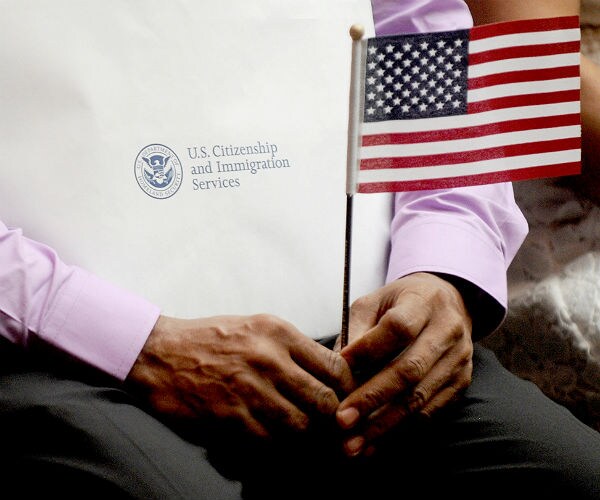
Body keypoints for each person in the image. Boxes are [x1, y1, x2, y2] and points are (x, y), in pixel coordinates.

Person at [1, 1, 599, 499]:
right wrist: (131, 341)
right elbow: (539, 72)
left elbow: (417, 33)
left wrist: (441, 271)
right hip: (57, 349)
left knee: (569, 476)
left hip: (352, 327)